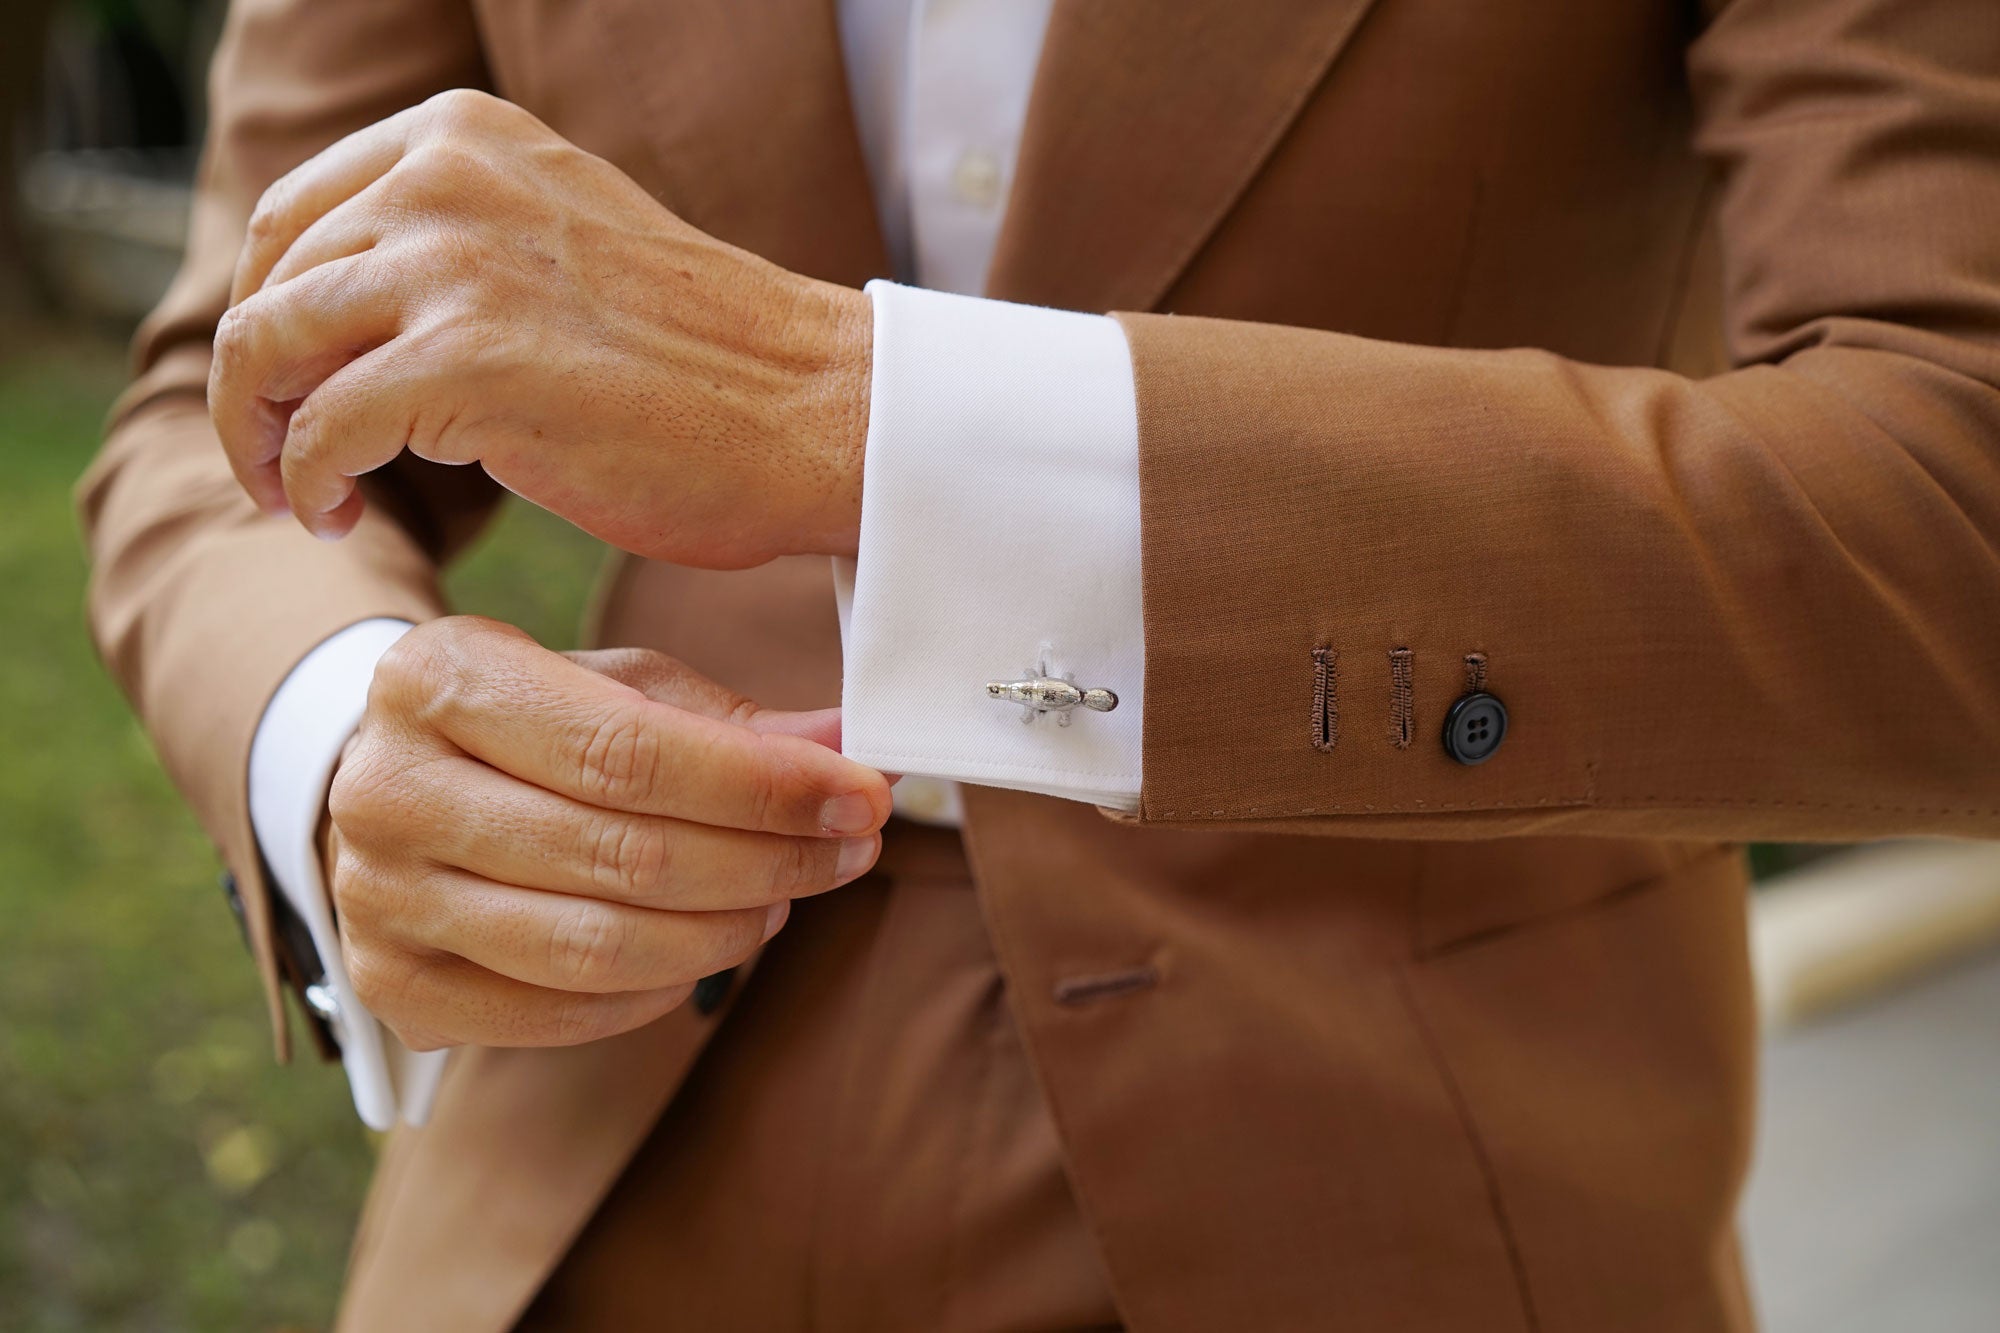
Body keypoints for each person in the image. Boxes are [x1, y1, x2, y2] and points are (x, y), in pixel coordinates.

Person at [80, 0, 2000, 1329]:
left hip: (1400, 1175)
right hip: (583, 1169)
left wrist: (849, 414)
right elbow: (224, 396)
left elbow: (1957, 504)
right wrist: (338, 735)